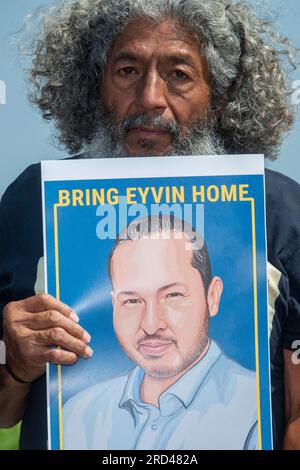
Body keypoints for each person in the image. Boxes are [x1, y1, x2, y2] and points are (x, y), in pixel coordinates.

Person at [0, 0, 299, 450]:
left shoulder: (277, 210)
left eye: (179, 74)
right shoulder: (36, 200)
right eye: (127, 71)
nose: (150, 98)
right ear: (95, 87)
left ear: (218, 96)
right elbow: (6, 412)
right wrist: (16, 367)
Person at [63, 215, 258, 450]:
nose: (152, 325)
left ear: (212, 297)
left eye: (173, 296)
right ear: (114, 305)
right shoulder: (78, 416)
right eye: (133, 301)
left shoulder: (256, 412)